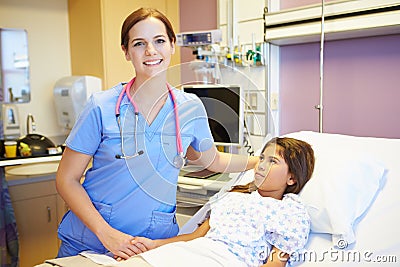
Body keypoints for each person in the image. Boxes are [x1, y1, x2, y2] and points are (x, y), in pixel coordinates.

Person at [55, 7, 258, 260]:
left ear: (172, 45)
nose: (151, 51)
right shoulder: (101, 106)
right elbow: (67, 179)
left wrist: (261, 161)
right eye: (139, 43)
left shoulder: (190, 108)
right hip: (91, 242)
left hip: (153, 245)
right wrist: (106, 233)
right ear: (126, 52)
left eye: (159, 41)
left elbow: (212, 160)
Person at [118, 137, 315, 266]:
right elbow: (195, 236)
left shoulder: (289, 210)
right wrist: (153, 245)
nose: (260, 165)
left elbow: (276, 262)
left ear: (292, 178)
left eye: (272, 161)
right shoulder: (233, 197)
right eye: (261, 158)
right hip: (191, 253)